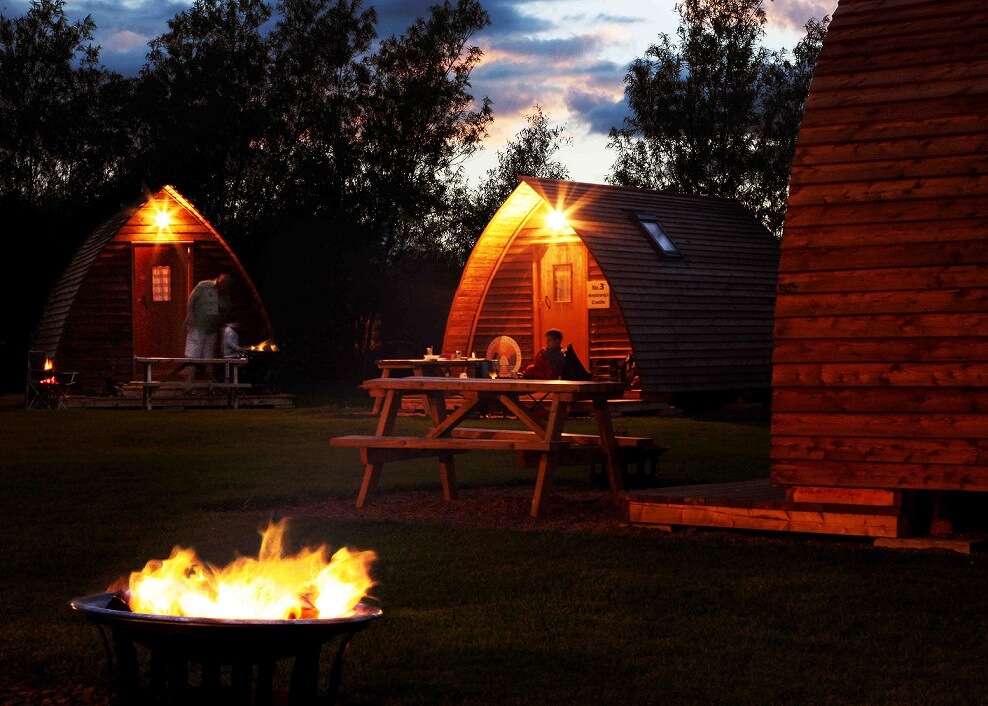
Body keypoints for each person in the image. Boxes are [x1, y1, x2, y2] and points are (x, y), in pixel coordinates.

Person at [180, 273, 232, 380]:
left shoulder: (225, 296)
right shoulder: (203, 286)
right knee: (192, 355)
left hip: (212, 329)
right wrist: (190, 315)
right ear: (218, 281)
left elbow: (225, 312)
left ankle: (210, 383)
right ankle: (189, 383)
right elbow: (191, 300)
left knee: (209, 356)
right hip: (197, 326)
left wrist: (220, 322)